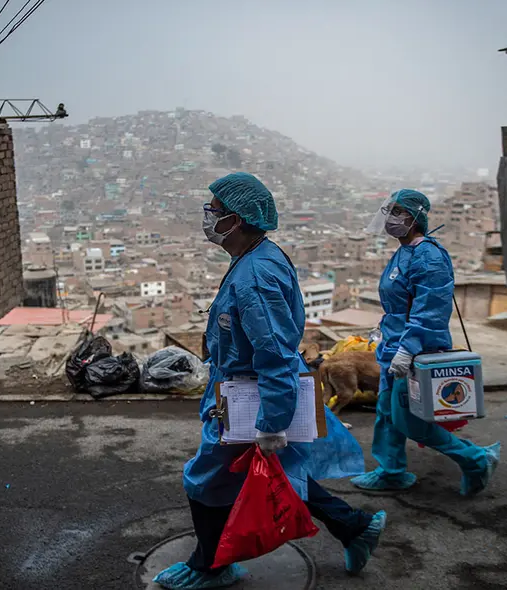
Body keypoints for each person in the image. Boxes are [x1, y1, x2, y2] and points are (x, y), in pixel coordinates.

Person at [154, 172, 386, 590]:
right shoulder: (255, 257)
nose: (208, 217)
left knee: (203, 479)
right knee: (276, 472)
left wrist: (272, 421)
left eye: (215, 211)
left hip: (251, 398)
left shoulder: (256, 275)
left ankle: (211, 567)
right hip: (245, 389)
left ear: (237, 220)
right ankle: (355, 526)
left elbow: (275, 352)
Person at [351, 189, 501, 497]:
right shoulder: (404, 251)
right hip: (393, 348)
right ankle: (391, 471)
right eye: (388, 211)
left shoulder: (429, 256)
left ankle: (476, 459)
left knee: (411, 421)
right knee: (387, 413)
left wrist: (407, 350)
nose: (390, 218)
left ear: (414, 217)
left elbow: (431, 310)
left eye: (397, 212)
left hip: (416, 352)